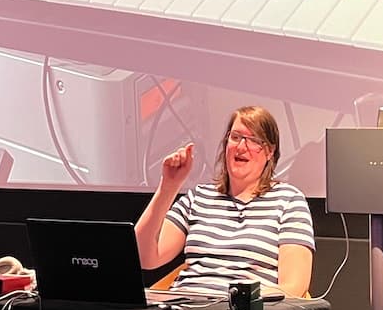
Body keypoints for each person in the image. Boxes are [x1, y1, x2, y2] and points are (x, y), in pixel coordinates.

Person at [134, 105, 315, 296]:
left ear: (270, 152)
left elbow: (293, 288)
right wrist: (168, 186)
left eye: (253, 140)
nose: (241, 147)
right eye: (236, 137)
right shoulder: (198, 198)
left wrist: (242, 302)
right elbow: (144, 256)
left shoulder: (288, 201)